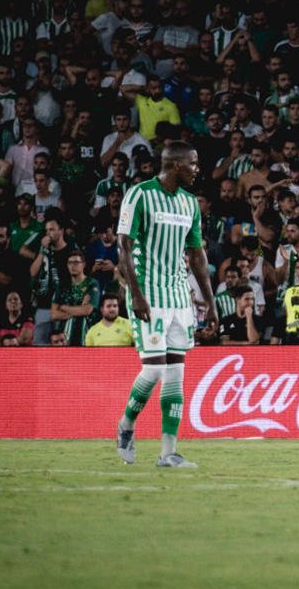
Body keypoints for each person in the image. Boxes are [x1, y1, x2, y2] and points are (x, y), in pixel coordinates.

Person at [115, 142, 217, 469]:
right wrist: (136, 294)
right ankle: (127, 424)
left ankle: (168, 453)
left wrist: (210, 302)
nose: (197, 169)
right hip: (148, 293)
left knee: (176, 373)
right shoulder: (140, 195)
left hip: (178, 297)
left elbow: (197, 255)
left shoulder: (189, 203)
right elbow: (124, 247)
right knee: (155, 368)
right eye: (193, 164)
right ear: (175, 165)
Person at [51, 250, 100, 347]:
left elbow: (87, 310)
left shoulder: (92, 283)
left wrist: (63, 307)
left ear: (84, 264)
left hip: (86, 335)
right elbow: (53, 314)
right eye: (70, 263)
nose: (73, 266)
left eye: (76, 262)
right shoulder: (62, 285)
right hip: (65, 338)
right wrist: (79, 309)